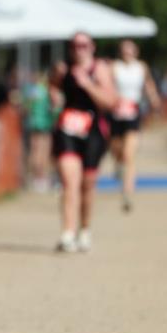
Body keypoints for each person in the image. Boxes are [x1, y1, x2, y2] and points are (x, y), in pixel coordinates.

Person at [50, 32, 117, 252]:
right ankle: (67, 233)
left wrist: (88, 84)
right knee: (70, 183)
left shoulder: (100, 69)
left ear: (92, 47)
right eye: (75, 45)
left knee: (87, 184)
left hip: (93, 132)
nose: (79, 49)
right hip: (67, 129)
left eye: (84, 45)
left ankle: (84, 229)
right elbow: (53, 85)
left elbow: (111, 102)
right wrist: (54, 97)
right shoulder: (63, 68)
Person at [108, 39, 160, 212]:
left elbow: (148, 84)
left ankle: (127, 194)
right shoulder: (114, 67)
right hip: (116, 113)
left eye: (130, 50)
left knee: (129, 154)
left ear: (135, 52)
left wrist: (153, 98)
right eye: (124, 50)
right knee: (117, 151)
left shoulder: (141, 67)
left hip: (133, 113)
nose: (127, 53)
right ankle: (117, 165)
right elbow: (107, 86)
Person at [23, 71, 55, 192]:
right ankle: (40, 177)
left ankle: (35, 177)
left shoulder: (30, 91)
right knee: (43, 152)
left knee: (34, 151)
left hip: (33, 124)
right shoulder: (46, 90)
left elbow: (26, 108)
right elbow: (53, 107)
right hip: (44, 124)